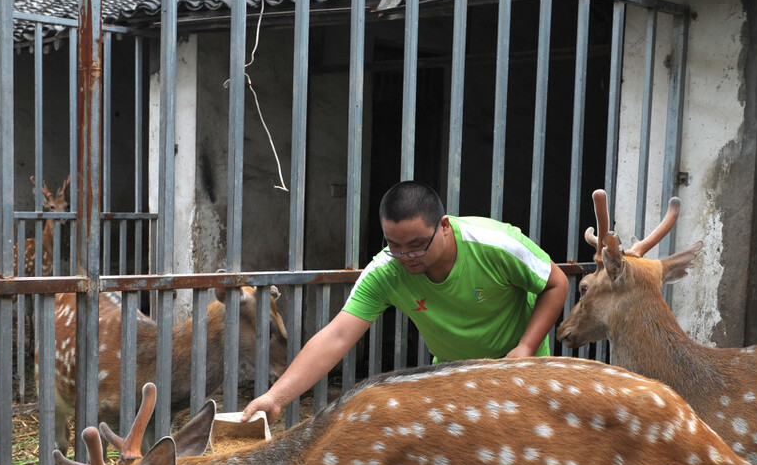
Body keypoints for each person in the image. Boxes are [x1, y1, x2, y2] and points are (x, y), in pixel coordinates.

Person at [242, 180, 569, 420]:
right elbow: (337, 335)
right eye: (394, 246)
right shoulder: (385, 270)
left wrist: (525, 349)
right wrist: (276, 397)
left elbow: (556, 284)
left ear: (443, 226)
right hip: (456, 379)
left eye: (416, 245)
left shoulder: (495, 244)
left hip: (522, 370)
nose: (406, 256)